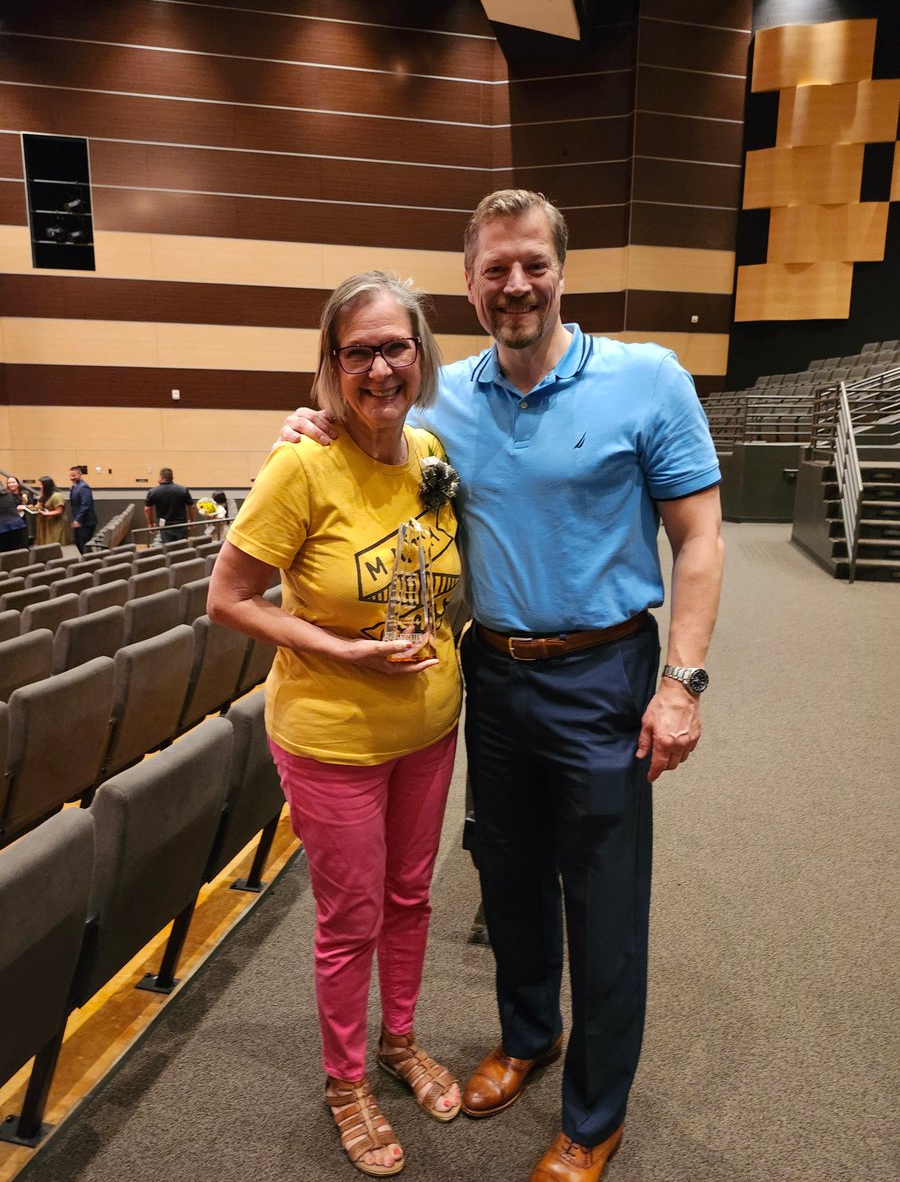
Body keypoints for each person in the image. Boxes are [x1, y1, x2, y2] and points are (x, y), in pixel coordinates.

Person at [280, 190, 725, 1182]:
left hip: (610, 672)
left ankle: (594, 1115)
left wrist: (683, 682)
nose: (515, 285)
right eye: (495, 269)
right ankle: (529, 1039)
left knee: (604, 902)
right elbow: (363, 428)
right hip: (492, 673)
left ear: (562, 270)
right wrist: (308, 423)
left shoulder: (648, 380)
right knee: (511, 881)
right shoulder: (444, 401)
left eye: (533, 264)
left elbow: (699, 540)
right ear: (471, 283)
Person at [207, 271, 464, 1178]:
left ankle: (401, 1039)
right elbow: (228, 600)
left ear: (421, 354)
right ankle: (346, 1080)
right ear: (332, 364)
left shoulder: (432, 453)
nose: (381, 367)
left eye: (396, 346)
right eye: (360, 351)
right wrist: (338, 650)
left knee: (410, 898)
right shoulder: (302, 462)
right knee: (350, 917)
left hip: (430, 729)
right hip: (332, 737)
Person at [144, 468, 196, 544]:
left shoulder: (153, 492)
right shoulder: (183, 490)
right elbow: (192, 507)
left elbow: (147, 509)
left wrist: (150, 524)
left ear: (161, 477)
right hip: (181, 525)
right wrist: (191, 521)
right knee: (182, 549)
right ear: (172, 478)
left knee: (168, 550)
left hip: (165, 526)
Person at [68, 465, 97, 554]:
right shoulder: (75, 486)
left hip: (86, 522)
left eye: (74, 475)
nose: (72, 478)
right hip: (81, 522)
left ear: (80, 475)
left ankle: (89, 565)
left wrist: (77, 520)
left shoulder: (83, 487)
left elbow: (86, 505)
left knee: (84, 546)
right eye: (70, 476)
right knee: (79, 545)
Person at [34, 475, 70, 546]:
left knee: (54, 543)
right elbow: (40, 505)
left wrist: (47, 513)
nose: (39, 487)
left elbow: (59, 511)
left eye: (41, 485)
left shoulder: (57, 496)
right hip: (46, 524)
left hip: (56, 524)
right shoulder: (44, 495)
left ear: (47, 485)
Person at [0, 475, 29, 553]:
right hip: (17, 524)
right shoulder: (8, 494)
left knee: (5, 553)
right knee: (16, 551)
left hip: (3, 528)